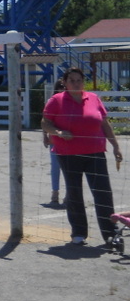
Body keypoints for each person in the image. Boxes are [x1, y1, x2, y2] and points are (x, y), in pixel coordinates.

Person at [41, 67, 124, 246]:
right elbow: (45, 123)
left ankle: (110, 233)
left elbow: (104, 124)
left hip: (96, 152)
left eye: (79, 80)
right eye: (72, 80)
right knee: (74, 193)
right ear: (65, 82)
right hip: (68, 154)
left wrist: (115, 146)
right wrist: (58, 132)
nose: (76, 84)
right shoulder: (57, 100)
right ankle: (78, 233)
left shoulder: (93, 98)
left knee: (103, 192)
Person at [42, 79, 66, 205]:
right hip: (55, 138)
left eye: (64, 87)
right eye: (60, 87)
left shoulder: (71, 102)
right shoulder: (51, 102)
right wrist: (44, 135)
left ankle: (69, 194)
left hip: (68, 139)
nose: (62, 89)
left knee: (69, 168)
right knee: (55, 167)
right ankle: (55, 192)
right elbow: (45, 121)